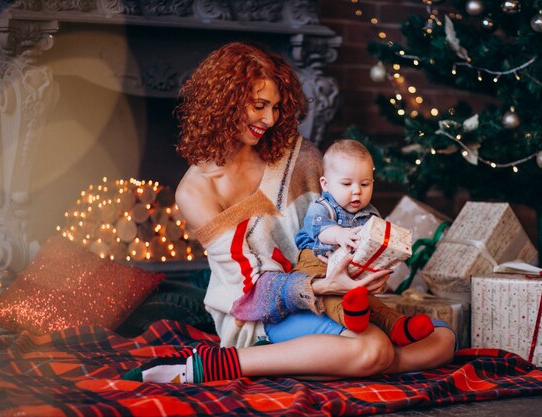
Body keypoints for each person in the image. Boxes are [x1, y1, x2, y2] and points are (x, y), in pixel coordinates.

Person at [122, 42, 455, 384]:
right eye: (259, 106)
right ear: (224, 102)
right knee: (375, 349)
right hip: (263, 315)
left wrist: (363, 265)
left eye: (276, 107)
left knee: (442, 338)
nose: (269, 119)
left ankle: (322, 362)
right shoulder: (196, 191)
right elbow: (248, 291)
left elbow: (337, 219)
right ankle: (221, 364)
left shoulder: (296, 155)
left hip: (334, 294)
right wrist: (322, 285)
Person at [286, 139, 434, 346]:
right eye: (347, 184)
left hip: (352, 267)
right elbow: (319, 230)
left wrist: (386, 254)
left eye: (365, 184)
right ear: (325, 184)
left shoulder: (370, 214)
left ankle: (397, 325)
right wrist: (339, 235)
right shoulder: (322, 206)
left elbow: (374, 242)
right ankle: (350, 318)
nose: (357, 191)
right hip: (317, 263)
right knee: (332, 298)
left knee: (371, 300)